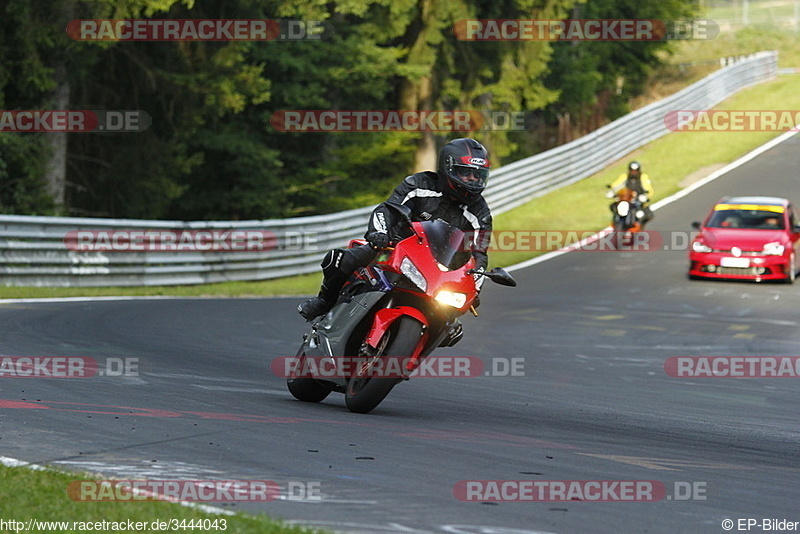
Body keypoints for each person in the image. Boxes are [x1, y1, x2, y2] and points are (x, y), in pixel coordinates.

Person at [298, 137, 493, 322]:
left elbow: (479, 255)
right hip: (394, 249)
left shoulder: (480, 213)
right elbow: (388, 210)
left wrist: (475, 288)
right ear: (448, 167)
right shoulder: (419, 184)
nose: (472, 180)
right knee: (340, 260)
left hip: (438, 270)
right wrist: (379, 233)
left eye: (478, 175)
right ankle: (324, 301)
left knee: (453, 325)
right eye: (465, 172)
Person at [608, 161, 654, 225]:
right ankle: (616, 221)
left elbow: (648, 188)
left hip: (638, 199)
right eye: (632, 171)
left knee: (644, 214)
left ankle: (639, 226)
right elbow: (617, 185)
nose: (634, 172)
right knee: (614, 206)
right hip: (627, 198)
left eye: (635, 171)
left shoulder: (643, 177)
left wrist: (646, 196)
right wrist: (612, 191)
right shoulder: (625, 176)